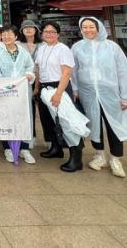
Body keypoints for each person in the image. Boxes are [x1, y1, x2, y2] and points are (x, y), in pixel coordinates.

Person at [72, 17, 127, 178]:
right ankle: (99, 155)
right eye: (85, 27)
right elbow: (74, 71)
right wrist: (75, 89)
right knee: (93, 124)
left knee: (114, 125)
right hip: (88, 93)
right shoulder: (77, 47)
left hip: (111, 94)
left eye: (91, 27)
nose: (88, 30)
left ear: (98, 28)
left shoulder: (112, 47)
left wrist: (126, 96)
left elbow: (123, 71)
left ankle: (115, 159)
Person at [35, 20, 82, 172]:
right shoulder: (41, 48)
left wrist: (58, 93)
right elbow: (38, 69)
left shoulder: (63, 49)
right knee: (49, 120)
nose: (49, 34)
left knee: (67, 121)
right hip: (44, 88)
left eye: (52, 32)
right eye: (46, 31)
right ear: (42, 33)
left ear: (58, 34)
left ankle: (76, 157)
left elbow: (66, 73)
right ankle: (56, 148)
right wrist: (37, 88)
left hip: (59, 87)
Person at [0, 25, 36, 164]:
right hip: (5, 92)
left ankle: (24, 148)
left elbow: (30, 67)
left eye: (9, 34)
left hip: (22, 91)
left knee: (24, 117)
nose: (6, 37)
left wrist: (29, 75)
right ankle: (8, 148)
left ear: (15, 36)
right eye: (4, 34)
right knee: (6, 118)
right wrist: (6, 85)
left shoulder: (23, 52)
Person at [18, 19, 42, 146]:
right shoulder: (18, 44)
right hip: (24, 80)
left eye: (31, 27)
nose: (28, 29)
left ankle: (50, 139)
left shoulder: (42, 45)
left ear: (36, 30)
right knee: (27, 109)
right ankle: (30, 136)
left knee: (44, 110)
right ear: (21, 31)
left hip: (41, 79)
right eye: (25, 28)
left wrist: (37, 86)